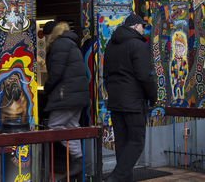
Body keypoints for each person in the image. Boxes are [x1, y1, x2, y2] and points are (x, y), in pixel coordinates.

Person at [103, 14, 157, 182]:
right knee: (136, 141)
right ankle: (116, 177)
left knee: (122, 143)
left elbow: (106, 75)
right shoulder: (138, 45)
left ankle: (123, 179)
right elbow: (145, 76)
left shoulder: (110, 45)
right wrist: (153, 97)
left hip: (115, 102)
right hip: (133, 102)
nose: (144, 29)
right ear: (135, 26)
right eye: (142, 26)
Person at [43, 21, 90, 180]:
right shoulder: (70, 43)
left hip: (67, 95)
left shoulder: (59, 45)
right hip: (77, 94)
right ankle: (79, 162)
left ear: (50, 34)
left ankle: (78, 162)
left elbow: (56, 73)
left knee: (54, 125)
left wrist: (46, 88)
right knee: (71, 126)